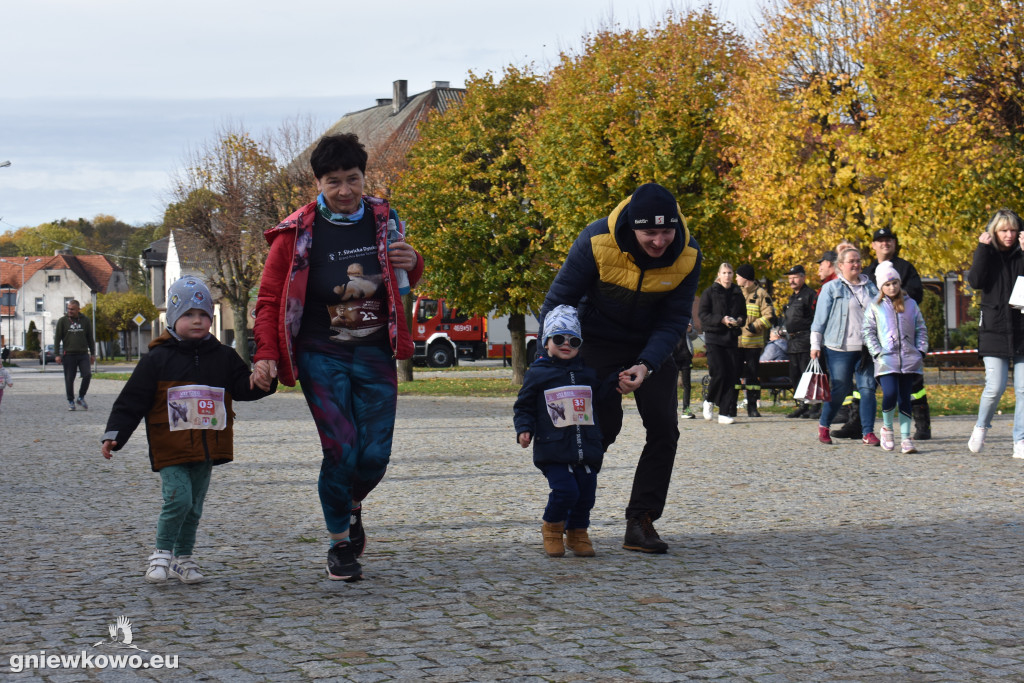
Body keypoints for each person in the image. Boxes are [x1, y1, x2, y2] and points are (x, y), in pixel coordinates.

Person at [251, 133, 424, 581]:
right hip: (320, 351)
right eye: (334, 182)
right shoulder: (295, 233)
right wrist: (266, 353)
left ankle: (351, 503)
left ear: (365, 177)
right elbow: (270, 299)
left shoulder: (386, 219)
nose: (345, 191)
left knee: (374, 457)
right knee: (342, 449)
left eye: (353, 179)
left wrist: (415, 260)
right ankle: (340, 544)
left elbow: (402, 275)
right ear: (318, 184)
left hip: (374, 350)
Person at [539, 182, 701, 554]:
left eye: (666, 231)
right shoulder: (596, 241)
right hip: (597, 340)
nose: (659, 241)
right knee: (599, 430)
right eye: (650, 232)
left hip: (653, 345)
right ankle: (567, 511)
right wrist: (545, 368)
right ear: (632, 227)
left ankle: (641, 521)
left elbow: (674, 319)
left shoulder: (689, 255)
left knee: (663, 429)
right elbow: (558, 302)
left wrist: (646, 364)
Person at [100, 277, 276, 584]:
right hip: (171, 445)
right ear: (172, 319)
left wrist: (264, 381)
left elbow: (243, 388)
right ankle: (161, 554)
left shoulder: (223, 356)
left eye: (204, 314)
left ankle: (183, 559)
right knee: (178, 499)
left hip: (209, 445)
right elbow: (132, 400)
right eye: (188, 315)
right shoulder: (157, 358)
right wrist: (115, 433)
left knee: (193, 508)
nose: (197, 320)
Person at [514, 305, 614, 557]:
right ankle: (552, 528)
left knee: (586, 494)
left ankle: (578, 532)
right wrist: (524, 428)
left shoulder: (587, 373)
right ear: (546, 342)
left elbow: (600, 399)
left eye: (573, 340)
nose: (566, 344)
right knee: (565, 491)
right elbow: (524, 405)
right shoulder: (538, 373)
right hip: (554, 447)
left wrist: (614, 383)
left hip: (586, 446)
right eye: (559, 338)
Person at [965, 208, 1024, 457]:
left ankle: (1020, 440)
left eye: (1013, 230)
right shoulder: (987, 254)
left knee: (1023, 390)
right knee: (995, 387)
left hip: (1021, 329)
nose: (1009, 235)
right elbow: (976, 281)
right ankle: (981, 426)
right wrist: (982, 249)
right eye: (1003, 230)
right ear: (994, 232)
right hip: (994, 329)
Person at [863, 226, 931, 441]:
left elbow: (917, 293)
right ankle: (861, 424)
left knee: (913, 389)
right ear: (873, 245)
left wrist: (898, 297)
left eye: (889, 240)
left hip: (907, 344)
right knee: (867, 387)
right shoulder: (867, 271)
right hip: (880, 343)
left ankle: (920, 426)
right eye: (880, 241)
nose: (885, 244)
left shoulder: (906, 268)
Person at [810, 248, 880, 445]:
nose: (856, 264)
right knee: (840, 389)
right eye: (851, 261)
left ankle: (867, 432)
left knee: (867, 389)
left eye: (858, 260)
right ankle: (824, 425)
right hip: (839, 348)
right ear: (840, 265)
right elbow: (820, 319)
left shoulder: (871, 288)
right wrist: (815, 344)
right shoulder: (831, 288)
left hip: (866, 348)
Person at [698, 263, 746, 424]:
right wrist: (721, 319)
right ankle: (709, 400)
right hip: (714, 338)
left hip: (731, 338)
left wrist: (739, 320)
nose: (727, 276)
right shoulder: (709, 292)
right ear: (719, 274)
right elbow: (703, 315)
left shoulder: (737, 292)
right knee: (719, 372)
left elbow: (743, 314)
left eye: (730, 272)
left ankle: (724, 413)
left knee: (731, 375)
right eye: (724, 272)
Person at [734, 264, 775, 417]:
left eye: (738, 275)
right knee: (735, 377)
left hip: (753, 344)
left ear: (745, 278)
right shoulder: (735, 293)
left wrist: (755, 326)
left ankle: (752, 407)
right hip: (736, 344)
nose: (736, 278)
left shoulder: (761, 294)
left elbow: (769, 316)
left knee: (752, 377)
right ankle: (731, 406)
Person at [782, 264, 818, 418]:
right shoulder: (792, 297)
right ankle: (802, 405)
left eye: (795, 277)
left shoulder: (810, 295)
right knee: (795, 375)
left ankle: (815, 406)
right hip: (793, 341)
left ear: (803, 277)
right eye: (790, 278)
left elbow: (816, 318)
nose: (792, 280)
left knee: (808, 375)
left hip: (806, 339)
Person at [54, 299, 95, 411]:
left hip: (83, 354)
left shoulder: (85, 320)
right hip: (69, 355)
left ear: (78, 309)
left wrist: (93, 353)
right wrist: (57, 354)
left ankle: (81, 397)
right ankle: (71, 401)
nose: (70, 311)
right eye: (68, 309)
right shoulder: (62, 321)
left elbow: (90, 338)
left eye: (72, 309)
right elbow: (57, 338)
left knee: (87, 375)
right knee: (69, 379)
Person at [674, 323, 696, 419]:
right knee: (671, 386)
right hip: (673, 356)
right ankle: (672, 409)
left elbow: (694, 336)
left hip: (686, 356)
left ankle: (686, 409)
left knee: (687, 385)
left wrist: (690, 330)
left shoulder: (688, 316)